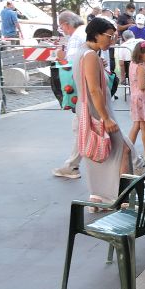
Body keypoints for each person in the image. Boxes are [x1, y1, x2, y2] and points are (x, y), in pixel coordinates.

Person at [74, 17, 132, 206]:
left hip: (89, 111)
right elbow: (94, 89)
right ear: (96, 35)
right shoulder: (90, 56)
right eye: (109, 36)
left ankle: (99, 195)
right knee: (122, 150)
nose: (112, 40)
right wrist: (106, 117)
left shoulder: (84, 52)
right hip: (98, 111)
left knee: (100, 153)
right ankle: (121, 197)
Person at [52, 10, 86, 180]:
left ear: (66, 24)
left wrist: (60, 58)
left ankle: (72, 166)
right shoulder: (84, 33)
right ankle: (72, 165)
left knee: (81, 127)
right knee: (81, 127)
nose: (63, 30)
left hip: (83, 90)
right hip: (89, 88)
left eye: (62, 26)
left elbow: (70, 66)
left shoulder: (75, 38)